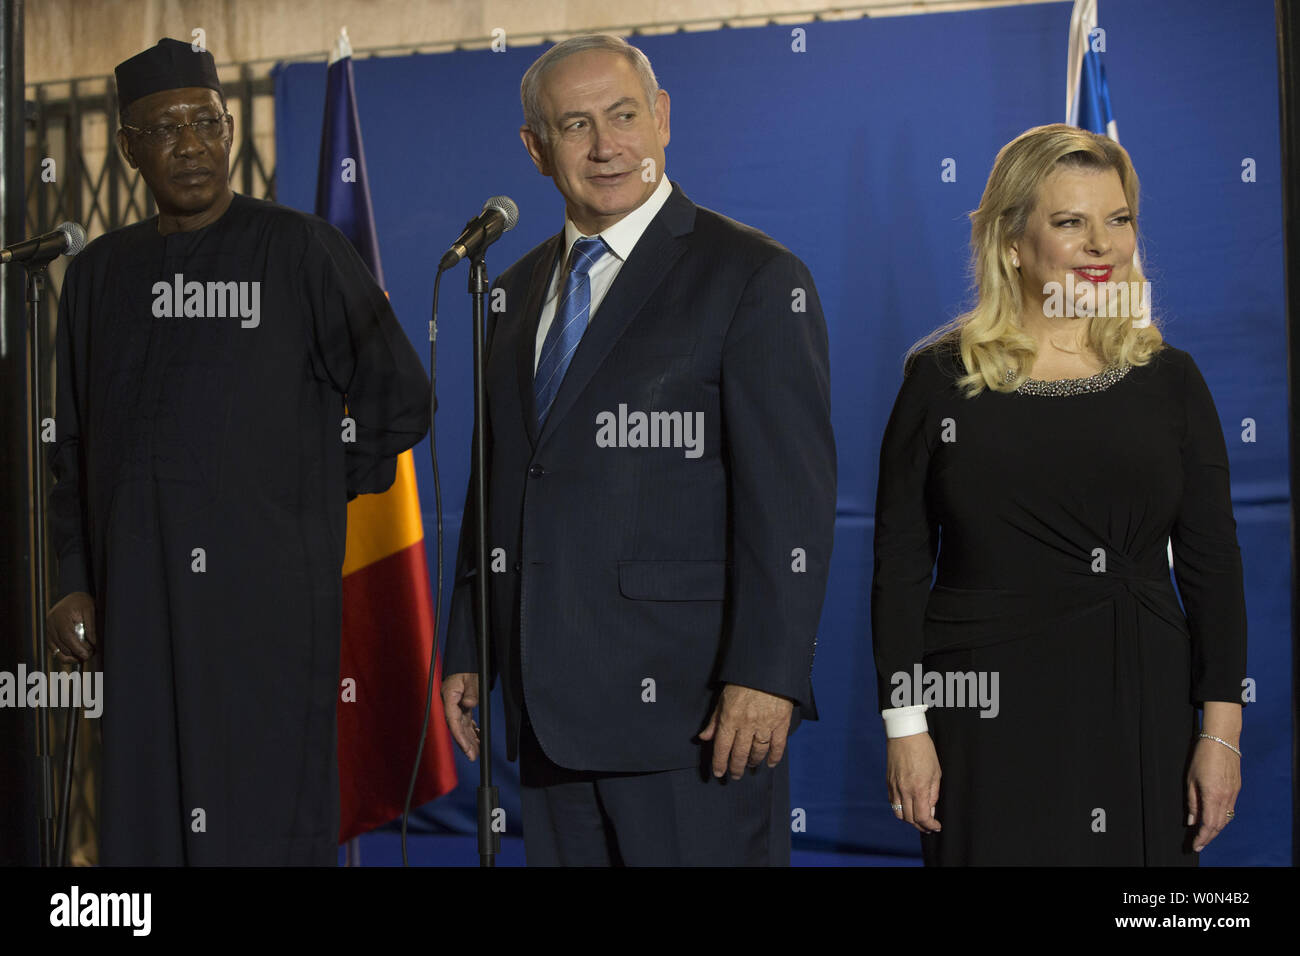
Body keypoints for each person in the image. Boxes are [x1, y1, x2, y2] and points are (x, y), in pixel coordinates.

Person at [440, 34, 836, 866]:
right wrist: (472, 646)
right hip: (549, 714)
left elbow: (790, 501)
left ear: (661, 118)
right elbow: (504, 483)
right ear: (536, 151)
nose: (606, 145)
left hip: (692, 718)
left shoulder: (754, 277)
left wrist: (769, 675)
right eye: (575, 125)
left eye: (623, 116)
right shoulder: (508, 295)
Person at [43, 38, 431, 865]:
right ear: (127, 149)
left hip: (269, 601)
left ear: (228, 132)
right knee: (146, 811)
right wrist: (72, 579)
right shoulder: (100, 275)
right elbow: (69, 447)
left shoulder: (302, 251)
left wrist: (307, 496)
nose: (190, 144)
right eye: (164, 129)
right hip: (137, 601)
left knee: (262, 809)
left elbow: (402, 398)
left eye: (206, 123)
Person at [872, 123, 1246, 865]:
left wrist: (1220, 735)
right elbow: (900, 566)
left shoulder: (1172, 381)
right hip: (983, 707)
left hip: (1140, 697)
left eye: (1118, 219)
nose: (1101, 244)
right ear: (1013, 242)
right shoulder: (939, 380)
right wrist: (906, 728)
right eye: (1071, 222)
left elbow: (1213, 569)